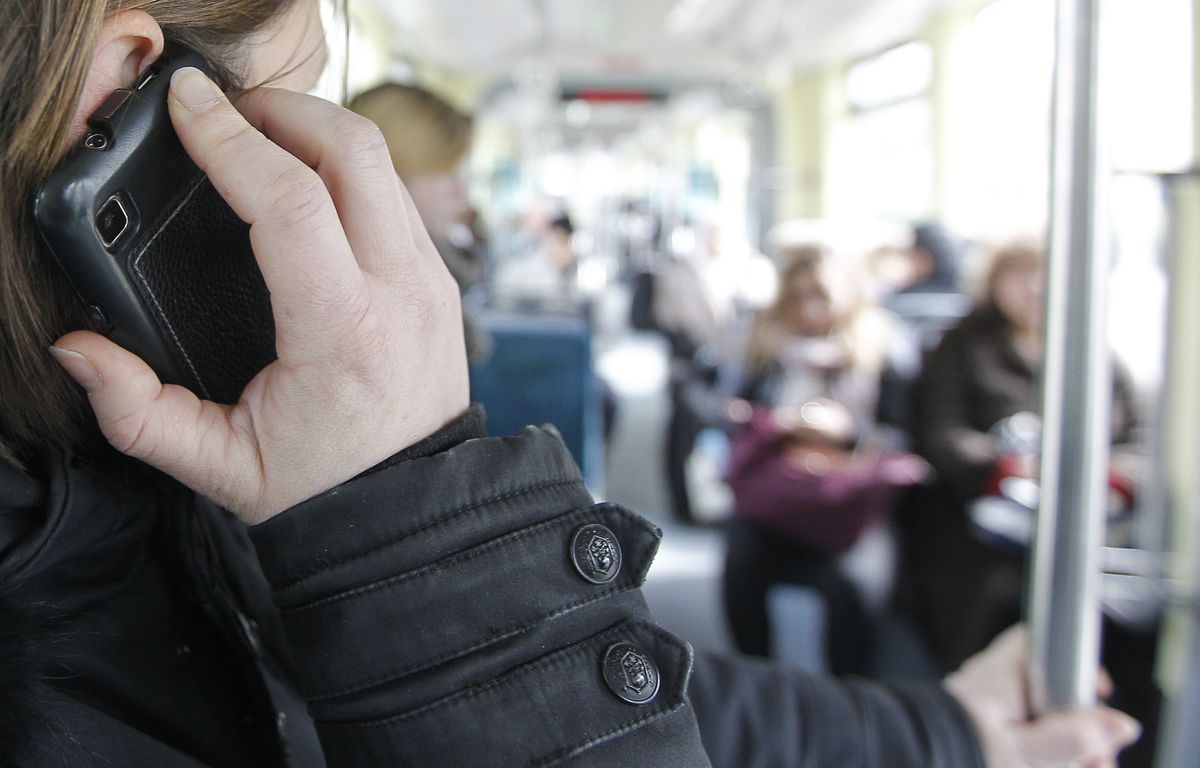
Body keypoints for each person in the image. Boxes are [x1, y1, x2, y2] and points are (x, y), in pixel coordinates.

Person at [0, 2, 1139, 766]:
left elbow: (594, 672)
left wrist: (945, 735)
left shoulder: (177, 477)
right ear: (127, 97)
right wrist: (397, 510)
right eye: (300, 100)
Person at [721, 249, 920, 674]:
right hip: (780, 495)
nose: (810, 308)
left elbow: (907, 438)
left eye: (821, 296)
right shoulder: (767, 347)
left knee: (857, 584)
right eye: (798, 296)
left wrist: (849, 434)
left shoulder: (886, 346)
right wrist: (774, 423)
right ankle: (759, 678)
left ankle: (847, 692)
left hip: (851, 500)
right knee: (741, 562)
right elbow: (733, 413)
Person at [347, 82, 491, 362]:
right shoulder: (381, 298)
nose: (459, 191)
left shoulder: (441, 271)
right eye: (445, 172)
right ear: (393, 171)